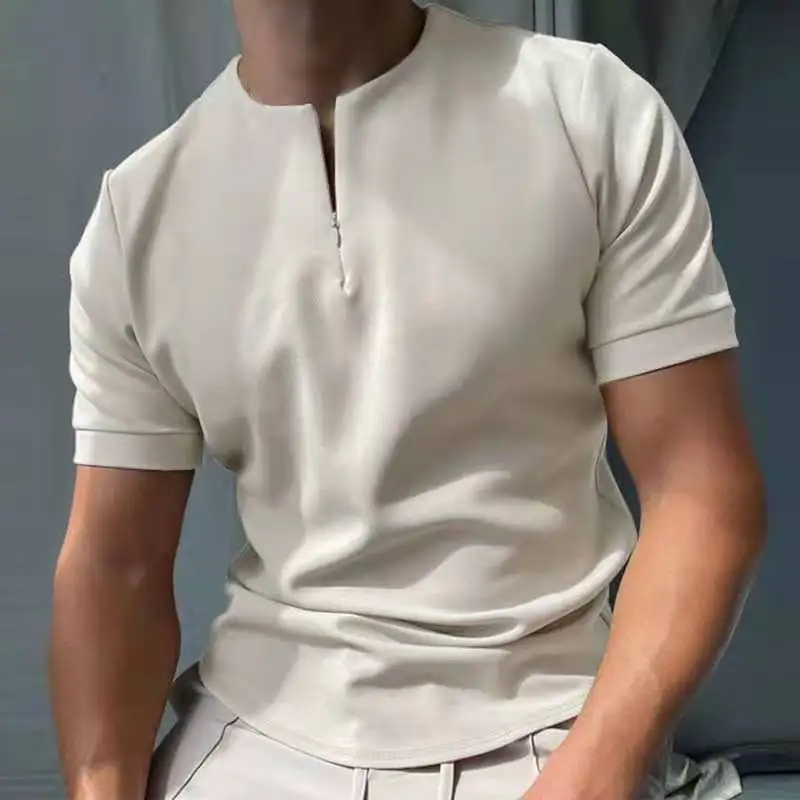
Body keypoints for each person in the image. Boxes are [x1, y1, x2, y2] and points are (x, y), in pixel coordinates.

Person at [50, 1, 766, 798]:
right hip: (254, 737)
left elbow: (700, 491)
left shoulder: (587, 112)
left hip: (554, 727)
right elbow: (115, 565)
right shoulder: (138, 215)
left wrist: (597, 771)